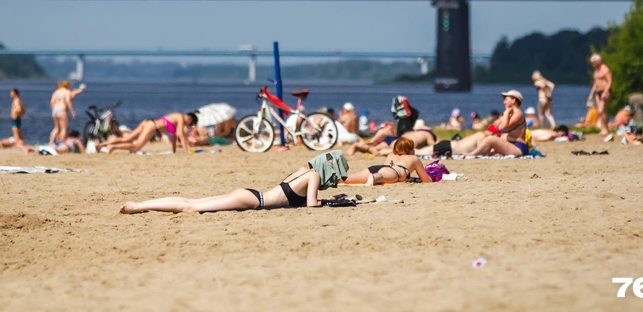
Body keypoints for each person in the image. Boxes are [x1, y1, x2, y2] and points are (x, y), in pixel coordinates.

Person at [120, 164, 323, 214]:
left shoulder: (302, 171)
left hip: (252, 195)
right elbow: (312, 205)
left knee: (191, 202)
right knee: (190, 207)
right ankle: (136, 206)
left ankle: (138, 205)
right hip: (253, 201)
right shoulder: (313, 175)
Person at [460, 91, 529, 157]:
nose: (504, 102)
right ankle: (485, 152)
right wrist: (504, 116)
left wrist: (506, 112)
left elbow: (504, 127)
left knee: (491, 139)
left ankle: (472, 154)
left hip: (518, 148)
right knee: (493, 142)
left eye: (506, 100)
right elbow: (495, 125)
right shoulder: (511, 114)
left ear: (513, 100)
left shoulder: (518, 114)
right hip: (511, 145)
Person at [342, 138, 433, 186]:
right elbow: (425, 179)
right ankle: (373, 177)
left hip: (378, 167)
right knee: (381, 177)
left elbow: (385, 168)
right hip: (393, 172)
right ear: (409, 150)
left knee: (349, 178)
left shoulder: (391, 155)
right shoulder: (413, 158)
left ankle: (334, 178)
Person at [98, 112, 198, 154]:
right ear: (189, 119)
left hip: (148, 122)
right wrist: (186, 151)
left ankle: (100, 145)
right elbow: (181, 135)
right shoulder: (180, 117)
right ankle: (113, 147)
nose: (189, 126)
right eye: (191, 123)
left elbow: (173, 136)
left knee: (127, 139)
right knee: (137, 147)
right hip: (152, 127)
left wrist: (174, 151)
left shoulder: (175, 118)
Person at [49, 81, 85, 145]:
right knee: (64, 129)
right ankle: (60, 144)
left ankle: (51, 142)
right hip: (62, 110)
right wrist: (73, 111)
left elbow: (52, 102)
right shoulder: (67, 92)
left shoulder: (56, 92)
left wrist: (53, 110)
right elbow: (68, 101)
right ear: (68, 86)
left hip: (55, 111)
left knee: (56, 128)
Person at [586, 54, 612, 137]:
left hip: (605, 91)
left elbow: (609, 81)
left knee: (601, 110)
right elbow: (595, 83)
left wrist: (606, 91)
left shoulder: (605, 69)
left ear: (598, 61)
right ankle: (604, 128)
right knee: (600, 112)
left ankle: (605, 129)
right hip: (598, 92)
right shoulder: (596, 71)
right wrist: (591, 94)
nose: (593, 64)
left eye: (594, 62)